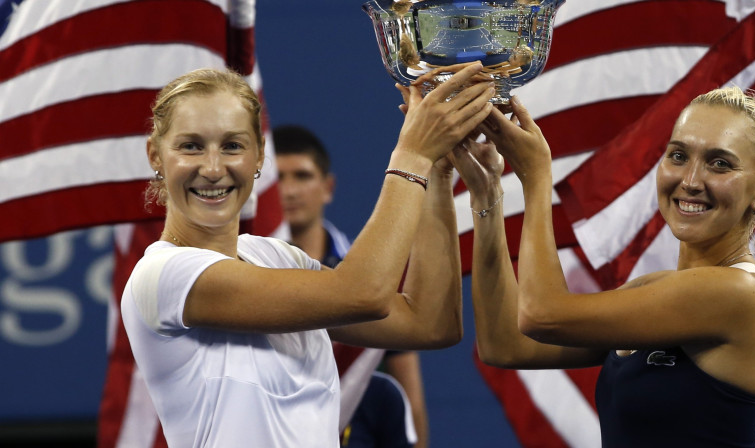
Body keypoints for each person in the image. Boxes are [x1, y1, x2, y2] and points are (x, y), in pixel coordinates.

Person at [120, 65, 494, 447]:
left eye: (233, 146)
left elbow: (428, 323)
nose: (213, 168)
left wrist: (438, 170)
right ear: (155, 155)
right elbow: (363, 293)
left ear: (259, 156)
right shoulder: (164, 275)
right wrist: (412, 155)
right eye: (191, 146)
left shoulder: (276, 256)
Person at [452, 86, 755, 447]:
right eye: (678, 155)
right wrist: (486, 191)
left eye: (719, 163)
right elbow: (505, 345)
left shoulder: (738, 295)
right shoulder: (653, 289)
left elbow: (542, 315)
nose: (691, 181)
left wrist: (536, 178)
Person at [273, 124, 428, 447]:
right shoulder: (242, 272)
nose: (287, 190)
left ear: (328, 187)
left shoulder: (375, 278)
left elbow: (409, 402)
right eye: (278, 177)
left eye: (301, 176)